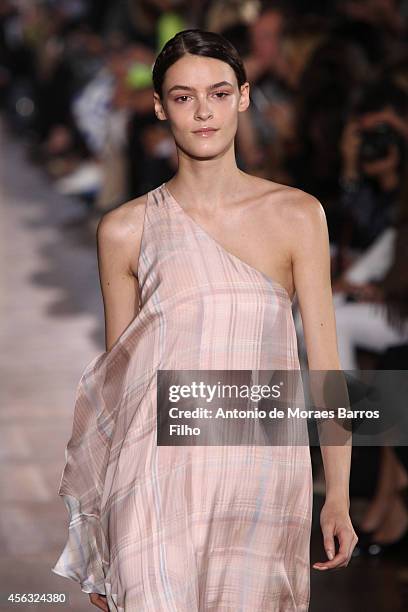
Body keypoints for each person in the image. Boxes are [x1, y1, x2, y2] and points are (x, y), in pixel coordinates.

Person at [51, 29, 357, 611]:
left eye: (217, 93)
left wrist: (337, 493)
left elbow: (326, 368)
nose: (203, 112)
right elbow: (120, 388)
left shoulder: (296, 215)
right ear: (161, 106)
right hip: (155, 476)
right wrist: (101, 536)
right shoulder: (125, 230)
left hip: (259, 474)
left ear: (243, 96)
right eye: (184, 97)